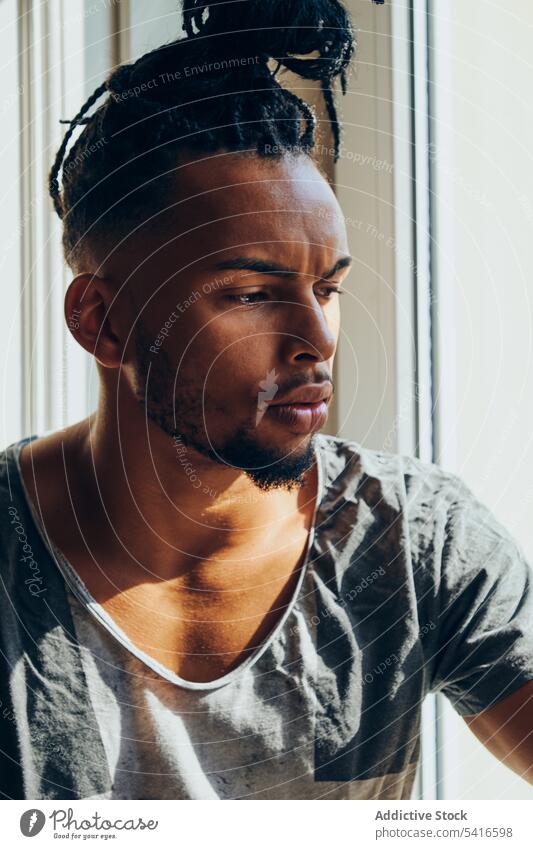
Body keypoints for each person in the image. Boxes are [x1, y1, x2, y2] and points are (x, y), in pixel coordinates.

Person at [1, 0, 532, 801]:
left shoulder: (415, 542)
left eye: (328, 287)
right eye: (251, 292)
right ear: (102, 321)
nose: (315, 339)